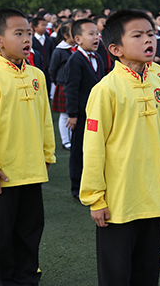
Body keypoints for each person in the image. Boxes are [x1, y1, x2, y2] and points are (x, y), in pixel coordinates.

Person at [80, 9, 160, 285]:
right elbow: (93, 148)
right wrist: (95, 198)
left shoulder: (159, 78)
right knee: (117, 274)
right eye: (138, 35)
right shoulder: (106, 90)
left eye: (151, 34)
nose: (148, 40)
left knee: (147, 272)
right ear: (115, 49)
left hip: (153, 195)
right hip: (118, 201)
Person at [0, 8, 55, 286]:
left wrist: (47, 155)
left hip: (32, 169)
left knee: (30, 229)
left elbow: (45, 119)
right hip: (3, 173)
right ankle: (4, 281)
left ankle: (27, 278)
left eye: (28, 32)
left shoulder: (37, 75)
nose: (26, 38)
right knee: (2, 234)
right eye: (18, 33)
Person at [65, 19, 104, 201]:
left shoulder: (98, 58)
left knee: (95, 150)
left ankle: (95, 184)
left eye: (97, 33)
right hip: (81, 114)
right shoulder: (75, 60)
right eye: (91, 34)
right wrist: (72, 114)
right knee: (78, 151)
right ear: (78, 39)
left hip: (96, 113)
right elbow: (71, 89)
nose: (96, 37)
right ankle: (77, 187)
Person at [49, 21, 74, 150]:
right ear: (65, 35)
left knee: (75, 114)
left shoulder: (78, 49)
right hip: (64, 85)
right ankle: (65, 141)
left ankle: (73, 139)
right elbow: (52, 69)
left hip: (76, 85)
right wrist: (58, 81)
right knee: (64, 115)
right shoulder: (59, 50)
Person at [31, 16, 55, 90]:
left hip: (48, 70)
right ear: (35, 27)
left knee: (47, 88)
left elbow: (52, 54)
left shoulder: (49, 40)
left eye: (46, 25)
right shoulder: (32, 41)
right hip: (36, 69)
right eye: (42, 25)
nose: (45, 27)